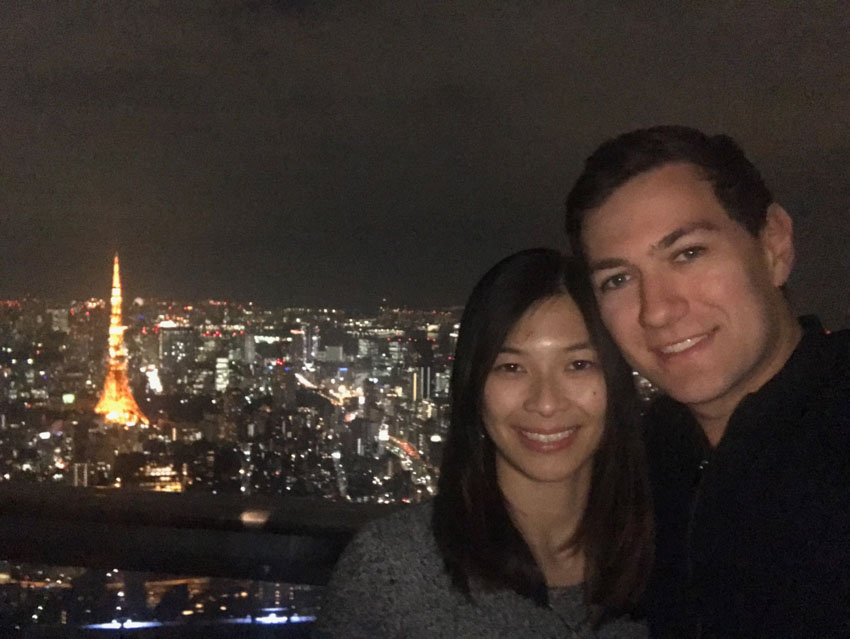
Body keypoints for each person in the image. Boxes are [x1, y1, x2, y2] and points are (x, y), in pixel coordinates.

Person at [564, 125, 850, 638]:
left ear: (773, 244)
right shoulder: (641, 464)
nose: (658, 311)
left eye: (688, 253)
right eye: (618, 280)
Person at [315, 249, 653, 638]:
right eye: (511, 368)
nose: (545, 402)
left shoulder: (675, 557)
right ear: (474, 385)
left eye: (579, 365)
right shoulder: (391, 571)